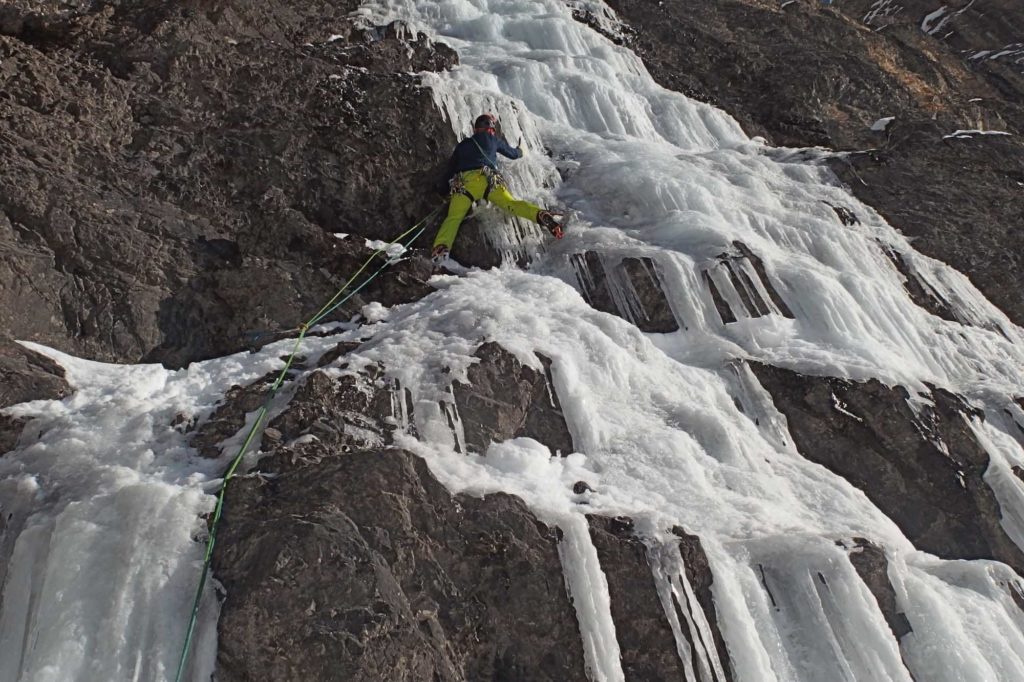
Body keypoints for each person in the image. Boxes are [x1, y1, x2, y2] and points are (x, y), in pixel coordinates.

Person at [431, 113, 564, 265]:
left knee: (453, 217)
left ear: (476, 129)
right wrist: (520, 150)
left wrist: (442, 190)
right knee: (512, 204)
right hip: (490, 182)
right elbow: (513, 154)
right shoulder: (492, 139)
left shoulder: (463, 145)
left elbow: (450, 170)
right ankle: (539, 214)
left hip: (466, 184)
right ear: (490, 129)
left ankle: (441, 247)